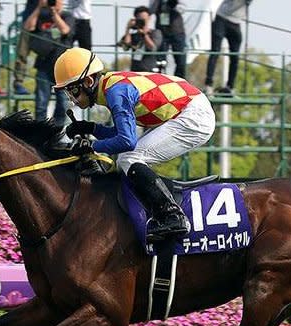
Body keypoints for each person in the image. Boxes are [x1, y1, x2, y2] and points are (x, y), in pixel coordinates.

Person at [53, 48, 216, 242]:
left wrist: (92, 147)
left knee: (129, 158)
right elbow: (123, 132)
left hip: (194, 115)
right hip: (190, 109)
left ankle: (173, 216)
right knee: (127, 158)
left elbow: (127, 141)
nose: (71, 98)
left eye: (73, 90)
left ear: (88, 82)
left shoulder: (116, 92)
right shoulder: (111, 86)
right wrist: (91, 128)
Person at [24, 0, 74, 123]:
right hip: (43, 66)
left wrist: (54, 13)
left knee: (63, 104)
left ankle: (58, 133)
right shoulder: (41, 15)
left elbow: (65, 30)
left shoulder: (67, 16)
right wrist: (38, 8)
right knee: (41, 103)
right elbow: (28, 27)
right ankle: (40, 133)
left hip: (62, 68)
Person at [204, 0, 252, 96]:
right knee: (215, 52)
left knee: (235, 57)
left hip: (236, 23)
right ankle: (208, 85)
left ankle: (230, 87)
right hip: (221, 18)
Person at [119, 6, 163, 73]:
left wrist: (144, 34)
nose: (142, 22)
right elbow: (125, 47)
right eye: (140, 19)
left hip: (151, 70)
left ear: (149, 18)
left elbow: (153, 48)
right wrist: (128, 29)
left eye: (144, 19)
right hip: (135, 71)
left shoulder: (156, 32)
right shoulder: (134, 34)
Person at [149, 0, 187, 78]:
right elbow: (151, 10)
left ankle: (179, 81)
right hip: (162, 32)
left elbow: (182, 9)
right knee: (160, 60)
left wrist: (173, 3)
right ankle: (160, 80)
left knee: (180, 60)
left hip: (177, 32)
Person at [12, 0, 39, 95]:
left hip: (45, 24)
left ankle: (44, 85)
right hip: (28, 21)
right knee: (21, 54)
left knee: (47, 55)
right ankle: (18, 83)